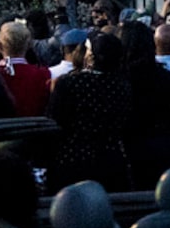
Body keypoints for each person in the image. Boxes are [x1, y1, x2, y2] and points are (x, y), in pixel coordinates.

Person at [49, 31, 136, 192]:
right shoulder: (123, 86)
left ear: (92, 57)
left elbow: (55, 119)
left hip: (74, 159)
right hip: (112, 160)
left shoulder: (70, 83)